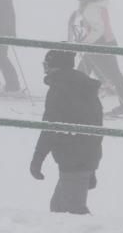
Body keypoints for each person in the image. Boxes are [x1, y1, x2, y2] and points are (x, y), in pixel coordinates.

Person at [29, 49, 104, 214]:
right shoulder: (84, 86)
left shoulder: (59, 90)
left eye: (47, 65)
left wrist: (37, 159)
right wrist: (91, 164)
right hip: (85, 154)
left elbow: (50, 127)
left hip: (72, 157)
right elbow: (96, 123)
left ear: (56, 67)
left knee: (74, 211)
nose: (45, 69)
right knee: (58, 207)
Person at [67, 0, 123, 119]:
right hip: (104, 44)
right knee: (88, 71)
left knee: (110, 75)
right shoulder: (96, 3)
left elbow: (98, 29)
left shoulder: (91, 7)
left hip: (100, 45)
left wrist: (84, 42)